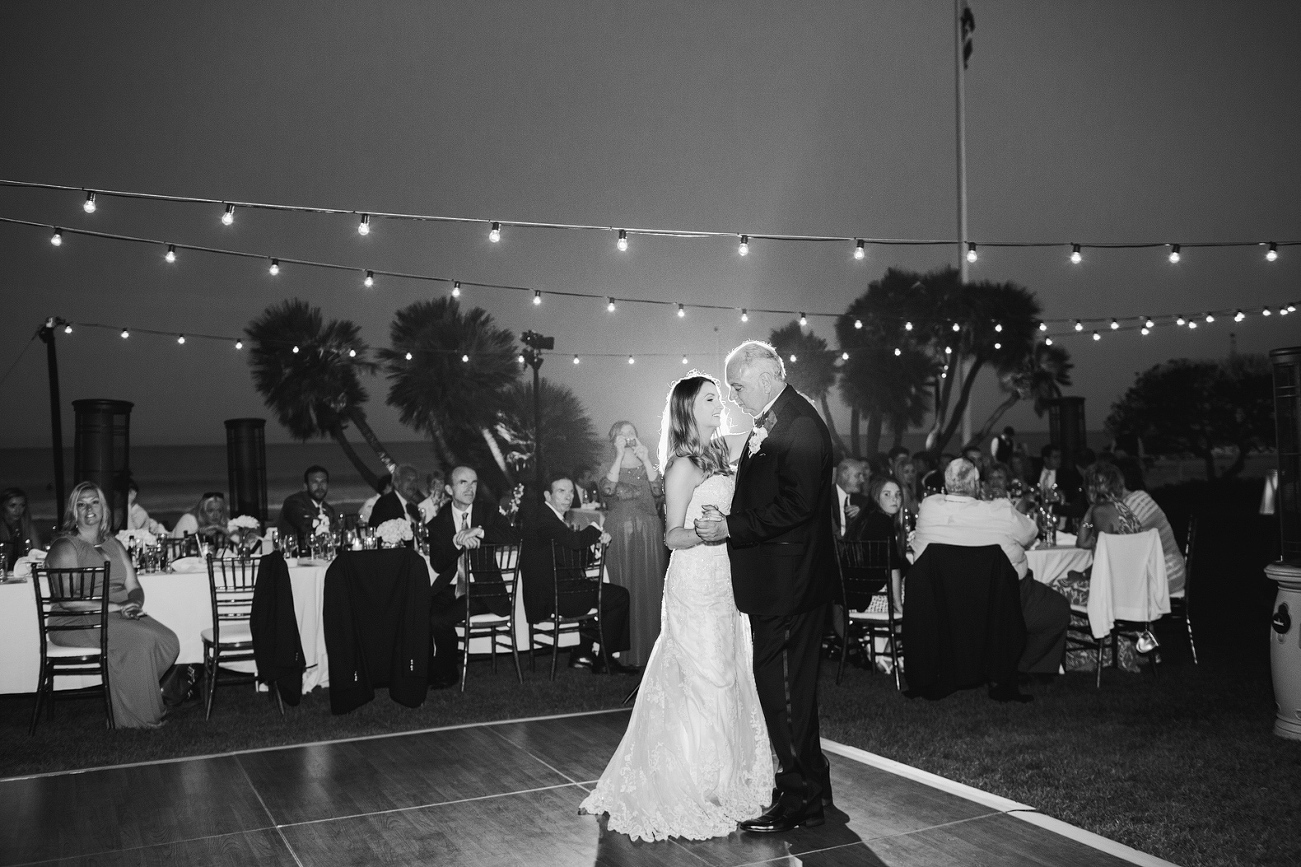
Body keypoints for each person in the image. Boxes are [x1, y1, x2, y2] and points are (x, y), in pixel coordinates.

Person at [580, 373, 770, 841]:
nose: (720, 403)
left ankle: (728, 777)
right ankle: (695, 781)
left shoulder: (723, 456)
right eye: (710, 398)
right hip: (693, 579)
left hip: (724, 579)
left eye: (720, 397)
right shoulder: (682, 465)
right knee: (700, 675)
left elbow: (757, 445)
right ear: (688, 409)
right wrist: (706, 531)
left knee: (729, 670)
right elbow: (672, 536)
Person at [694, 341, 837, 834]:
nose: (732, 396)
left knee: (783, 693)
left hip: (789, 585)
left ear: (768, 375)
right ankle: (809, 783)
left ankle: (802, 799)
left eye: (737, 385)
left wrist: (734, 527)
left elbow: (797, 506)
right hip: (780, 582)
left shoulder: (797, 424)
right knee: (789, 691)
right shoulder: (776, 419)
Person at [913, 459, 1070, 678]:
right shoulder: (999, 511)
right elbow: (1030, 533)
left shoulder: (929, 507)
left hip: (945, 599)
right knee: (1057, 610)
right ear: (977, 483)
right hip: (1002, 600)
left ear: (947, 484)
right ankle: (1025, 669)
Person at [46, 482, 180, 728]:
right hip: (75, 620)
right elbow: (67, 601)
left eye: (94, 502)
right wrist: (115, 608)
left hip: (116, 614)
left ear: (103, 508)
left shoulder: (113, 543)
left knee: (168, 641)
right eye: (81, 504)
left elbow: (134, 585)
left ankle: (126, 696)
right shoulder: (65, 546)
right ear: (73, 511)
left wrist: (132, 603)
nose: (89, 508)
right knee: (140, 639)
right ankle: (138, 721)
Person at [520, 476, 635, 673]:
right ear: (548, 495)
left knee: (608, 595)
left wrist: (597, 546)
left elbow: (571, 557)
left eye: (571, 492)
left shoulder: (551, 518)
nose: (568, 497)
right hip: (552, 596)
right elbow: (574, 542)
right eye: (561, 491)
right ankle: (605, 661)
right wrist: (596, 529)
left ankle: (584, 653)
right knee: (619, 596)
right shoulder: (545, 518)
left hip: (558, 589)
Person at [425, 466, 519, 688]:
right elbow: (437, 564)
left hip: (484, 590)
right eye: (463, 483)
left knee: (440, 620)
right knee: (422, 612)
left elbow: (514, 536)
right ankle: (427, 668)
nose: (470, 488)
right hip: (452, 587)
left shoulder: (487, 512)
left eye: (474, 483)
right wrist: (457, 542)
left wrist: (479, 531)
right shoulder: (439, 522)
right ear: (449, 489)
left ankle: (447, 672)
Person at [1057, 462, 1145, 672]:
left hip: (1111, 589)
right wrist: (1089, 514)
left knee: (1057, 590)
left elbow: (1108, 557)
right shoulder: (1120, 509)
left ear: (1091, 487)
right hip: (1130, 586)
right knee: (1067, 582)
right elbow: (1084, 542)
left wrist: (1084, 575)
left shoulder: (1103, 511)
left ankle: (1089, 655)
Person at [599, 420, 668, 667]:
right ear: (614, 439)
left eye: (632, 432)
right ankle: (621, 653)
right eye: (622, 433)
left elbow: (659, 493)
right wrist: (619, 456)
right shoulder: (608, 466)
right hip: (619, 534)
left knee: (650, 585)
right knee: (623, 585)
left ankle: (653, 649)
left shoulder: (648, 464)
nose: (628, 436)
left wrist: (647, 459)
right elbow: (607, 490)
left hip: (649, 532)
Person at [860, 476, 906, 617]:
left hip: (853, 597)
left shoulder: (865, 518)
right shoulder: (883, 521)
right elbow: (892, 567)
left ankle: (883, 639)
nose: (894, 499)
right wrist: (898, 604)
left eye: (898, 495)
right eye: (887, 494)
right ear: (876, 497)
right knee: (922, 593)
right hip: (873, 599)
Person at [276, 466, 338, 548]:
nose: (320, 487)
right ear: (305, 486)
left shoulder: (328, 510)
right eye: (315, 482)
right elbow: (302, 521)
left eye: (323, 482)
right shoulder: (293, 502)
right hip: (295, 556)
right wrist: (317, 523)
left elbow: (336, 534)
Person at [368, 464, 425, 530]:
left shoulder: (413, 509)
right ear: (397, 483)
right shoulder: (385, 504)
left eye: (415, 481)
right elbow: (376, 531)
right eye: (408, 480)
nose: (413, 484)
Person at [1, 487, 43, 569]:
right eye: (12, 506)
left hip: (21, 570)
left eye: (22, 505)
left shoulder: (26, 524)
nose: (18, 510)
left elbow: (38, 552)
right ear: (3, 506)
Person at [832, 457, 868, 539]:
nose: (862, 480)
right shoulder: (824, 498)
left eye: (863, 475)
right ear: (844, 474)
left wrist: (861, 516)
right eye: (858, 475)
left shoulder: (863, 502)